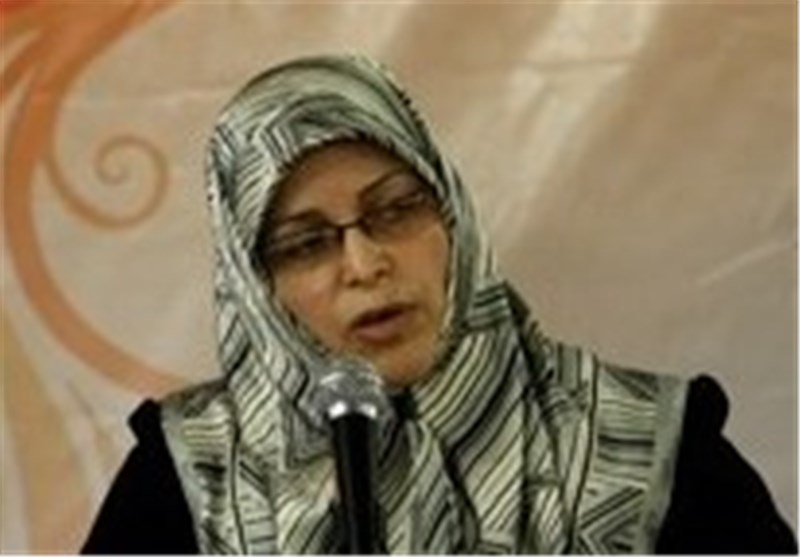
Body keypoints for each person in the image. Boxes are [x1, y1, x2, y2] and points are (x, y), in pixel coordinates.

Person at [82, 54, 796, 554]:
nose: (365, 264)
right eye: (306, 244)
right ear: (255, 286)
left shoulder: (649, 448)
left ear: (453, 218)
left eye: (395, 210)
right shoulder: (191, 478)